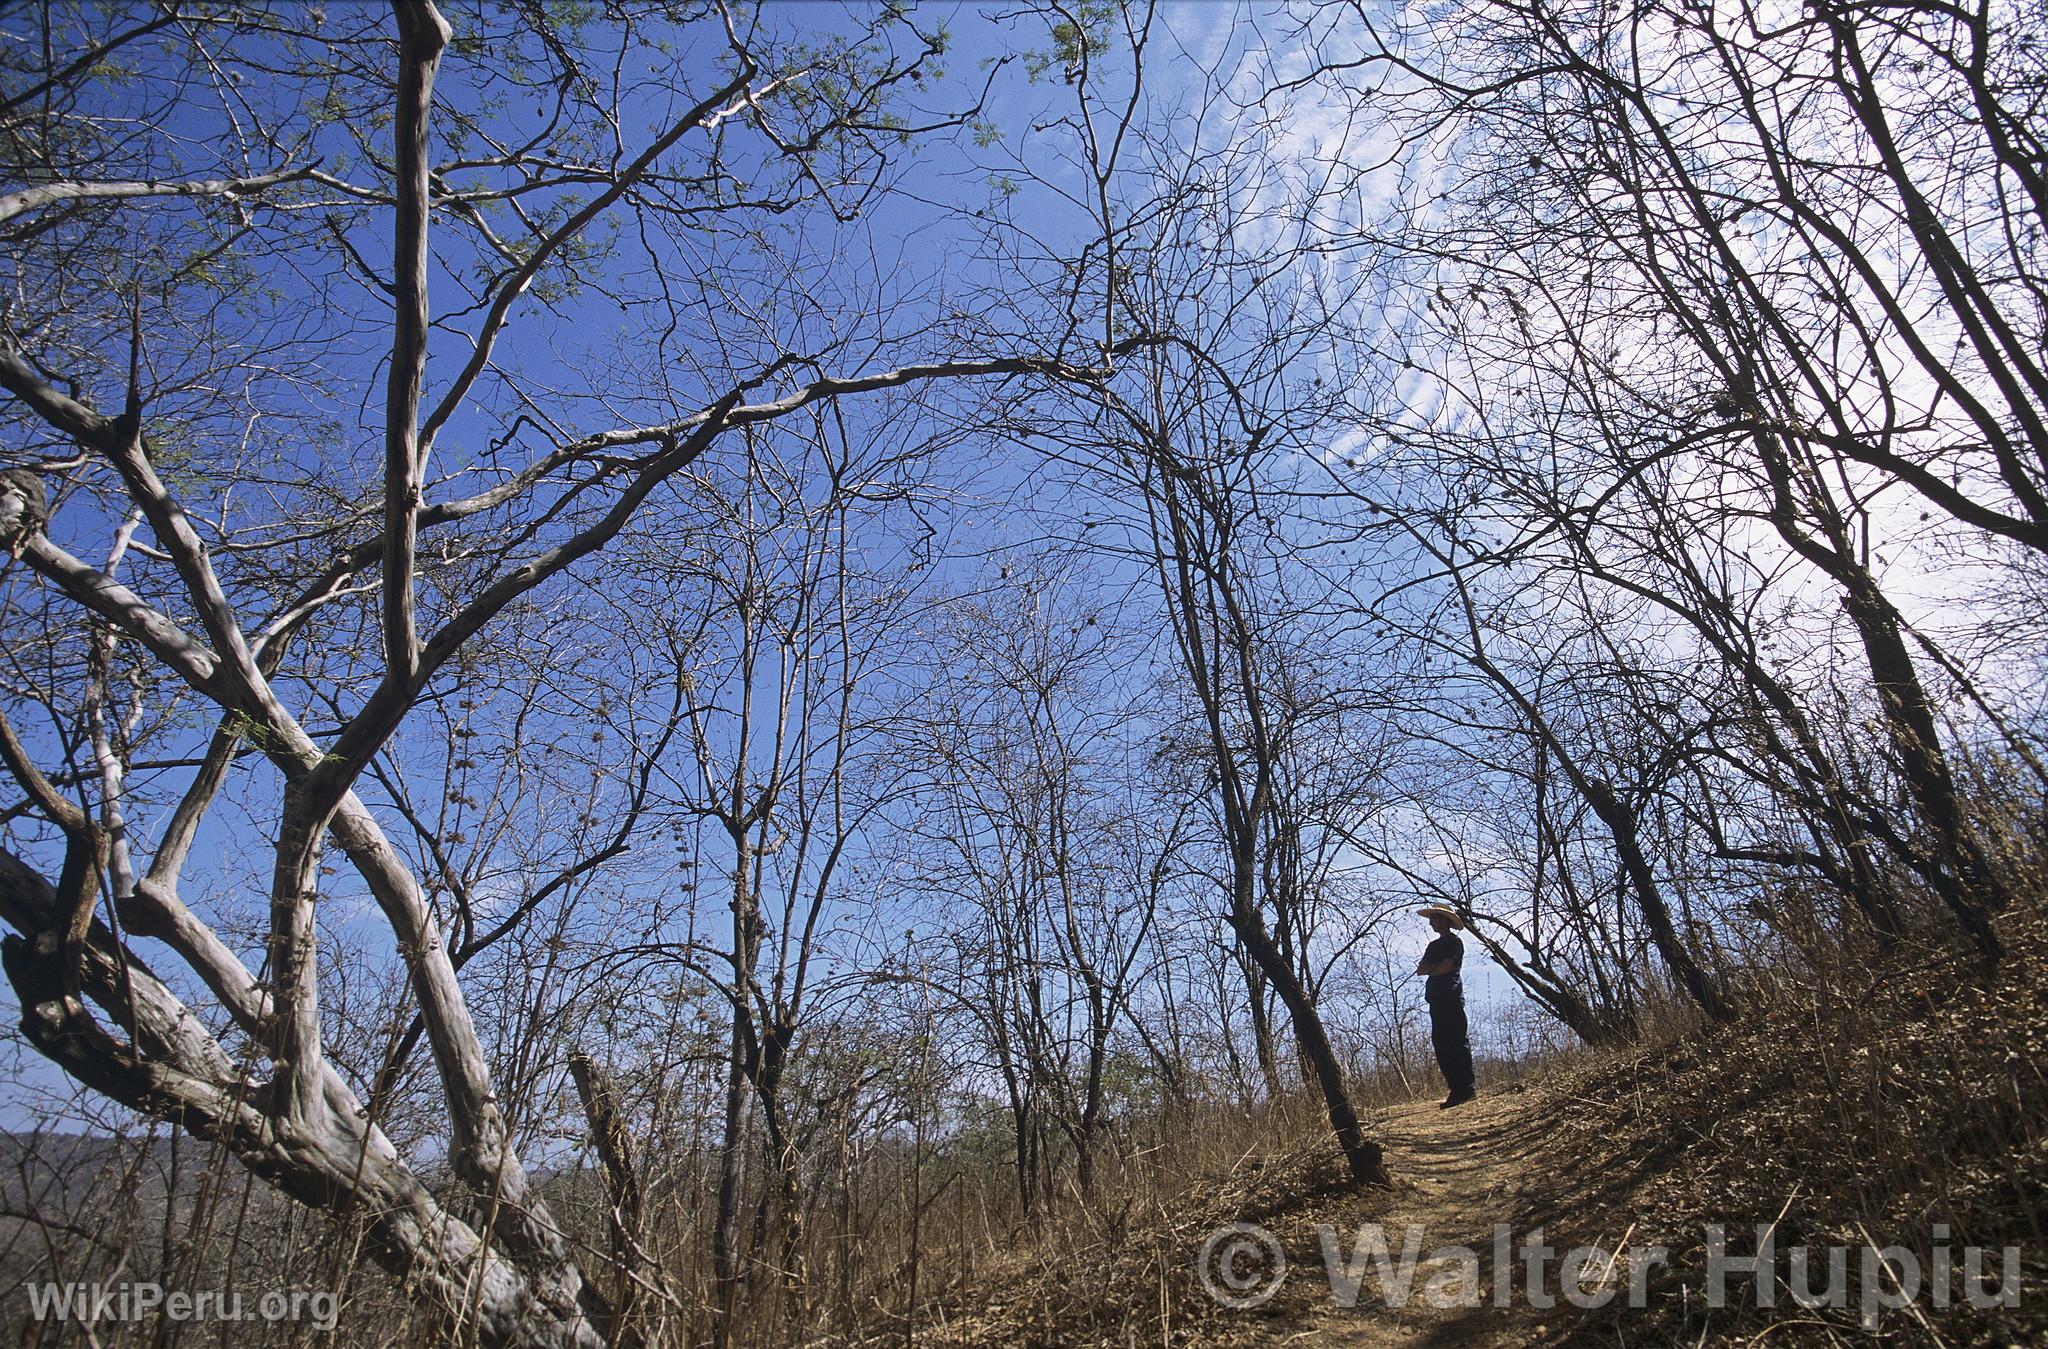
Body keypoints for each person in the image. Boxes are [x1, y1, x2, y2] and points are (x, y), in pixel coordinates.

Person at [1415, 905, 1477, 1108]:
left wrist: (1435, 968)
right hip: (1435, 1000)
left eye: (1434, 918)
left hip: (1451, 998)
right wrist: (1435, 969)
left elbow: (1447, 967)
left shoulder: (1455, 942)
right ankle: (1455, 1091)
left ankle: (1466, 1089)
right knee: (1441, 1045)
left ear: (1444, 920)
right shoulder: (1433, 946)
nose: (1431, 922)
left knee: (1457, 1042)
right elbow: (1421, 969)